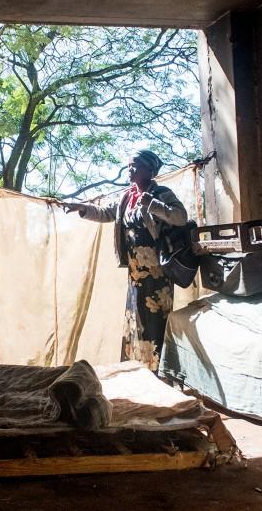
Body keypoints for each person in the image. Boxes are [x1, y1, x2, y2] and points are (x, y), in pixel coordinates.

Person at [62, 150, 188, 371]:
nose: (129, 170)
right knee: (135, 320)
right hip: (136, 273)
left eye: (135, 166)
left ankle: (157, 371)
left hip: (157, 274)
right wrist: (82, 208)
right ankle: (136, 368)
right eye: (129, 165)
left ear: (150, 170)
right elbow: (106, 213)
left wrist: (153, 204)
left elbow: (180, 217)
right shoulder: (126, 196)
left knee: (155, 321)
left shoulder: (160, 193)